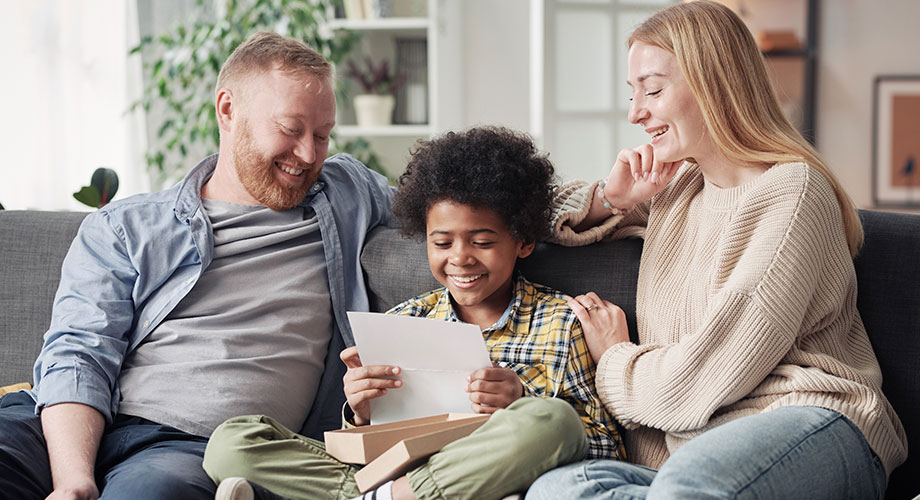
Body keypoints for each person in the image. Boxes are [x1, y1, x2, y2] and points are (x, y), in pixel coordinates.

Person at [526, 2, 908, 499]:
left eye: (654, 89)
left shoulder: (793, 193)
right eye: (633, 92)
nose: (635, 112)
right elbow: (524, 220)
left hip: (811, 421)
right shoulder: (677, 189)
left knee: (691, 484)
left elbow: (700, 381)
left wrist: (614, 359)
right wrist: (611, 198)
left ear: (713, 84)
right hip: (691, 456)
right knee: (557, 489)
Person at [0, 32, 395, 500]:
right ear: (228, 110)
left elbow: (450, 202)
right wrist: (72, 480)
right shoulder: (127, 226)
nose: (309, 155)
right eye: (291, 130)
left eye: (323, 135)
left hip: (198, 448)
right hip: (65, 425)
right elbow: (79, 353)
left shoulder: (346, 193)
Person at [202, 126, 626, 500]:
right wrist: (361, 411)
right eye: (442, 243)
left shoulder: (563, 322)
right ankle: (377, 498)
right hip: (392, 471)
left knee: (552, 421)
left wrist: (520, 400)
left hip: (483, 479)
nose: (460, 259)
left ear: (524, 242)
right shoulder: (404, 321)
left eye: (481, 242)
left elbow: (603, 446)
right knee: (231, 441)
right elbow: (367, 451)